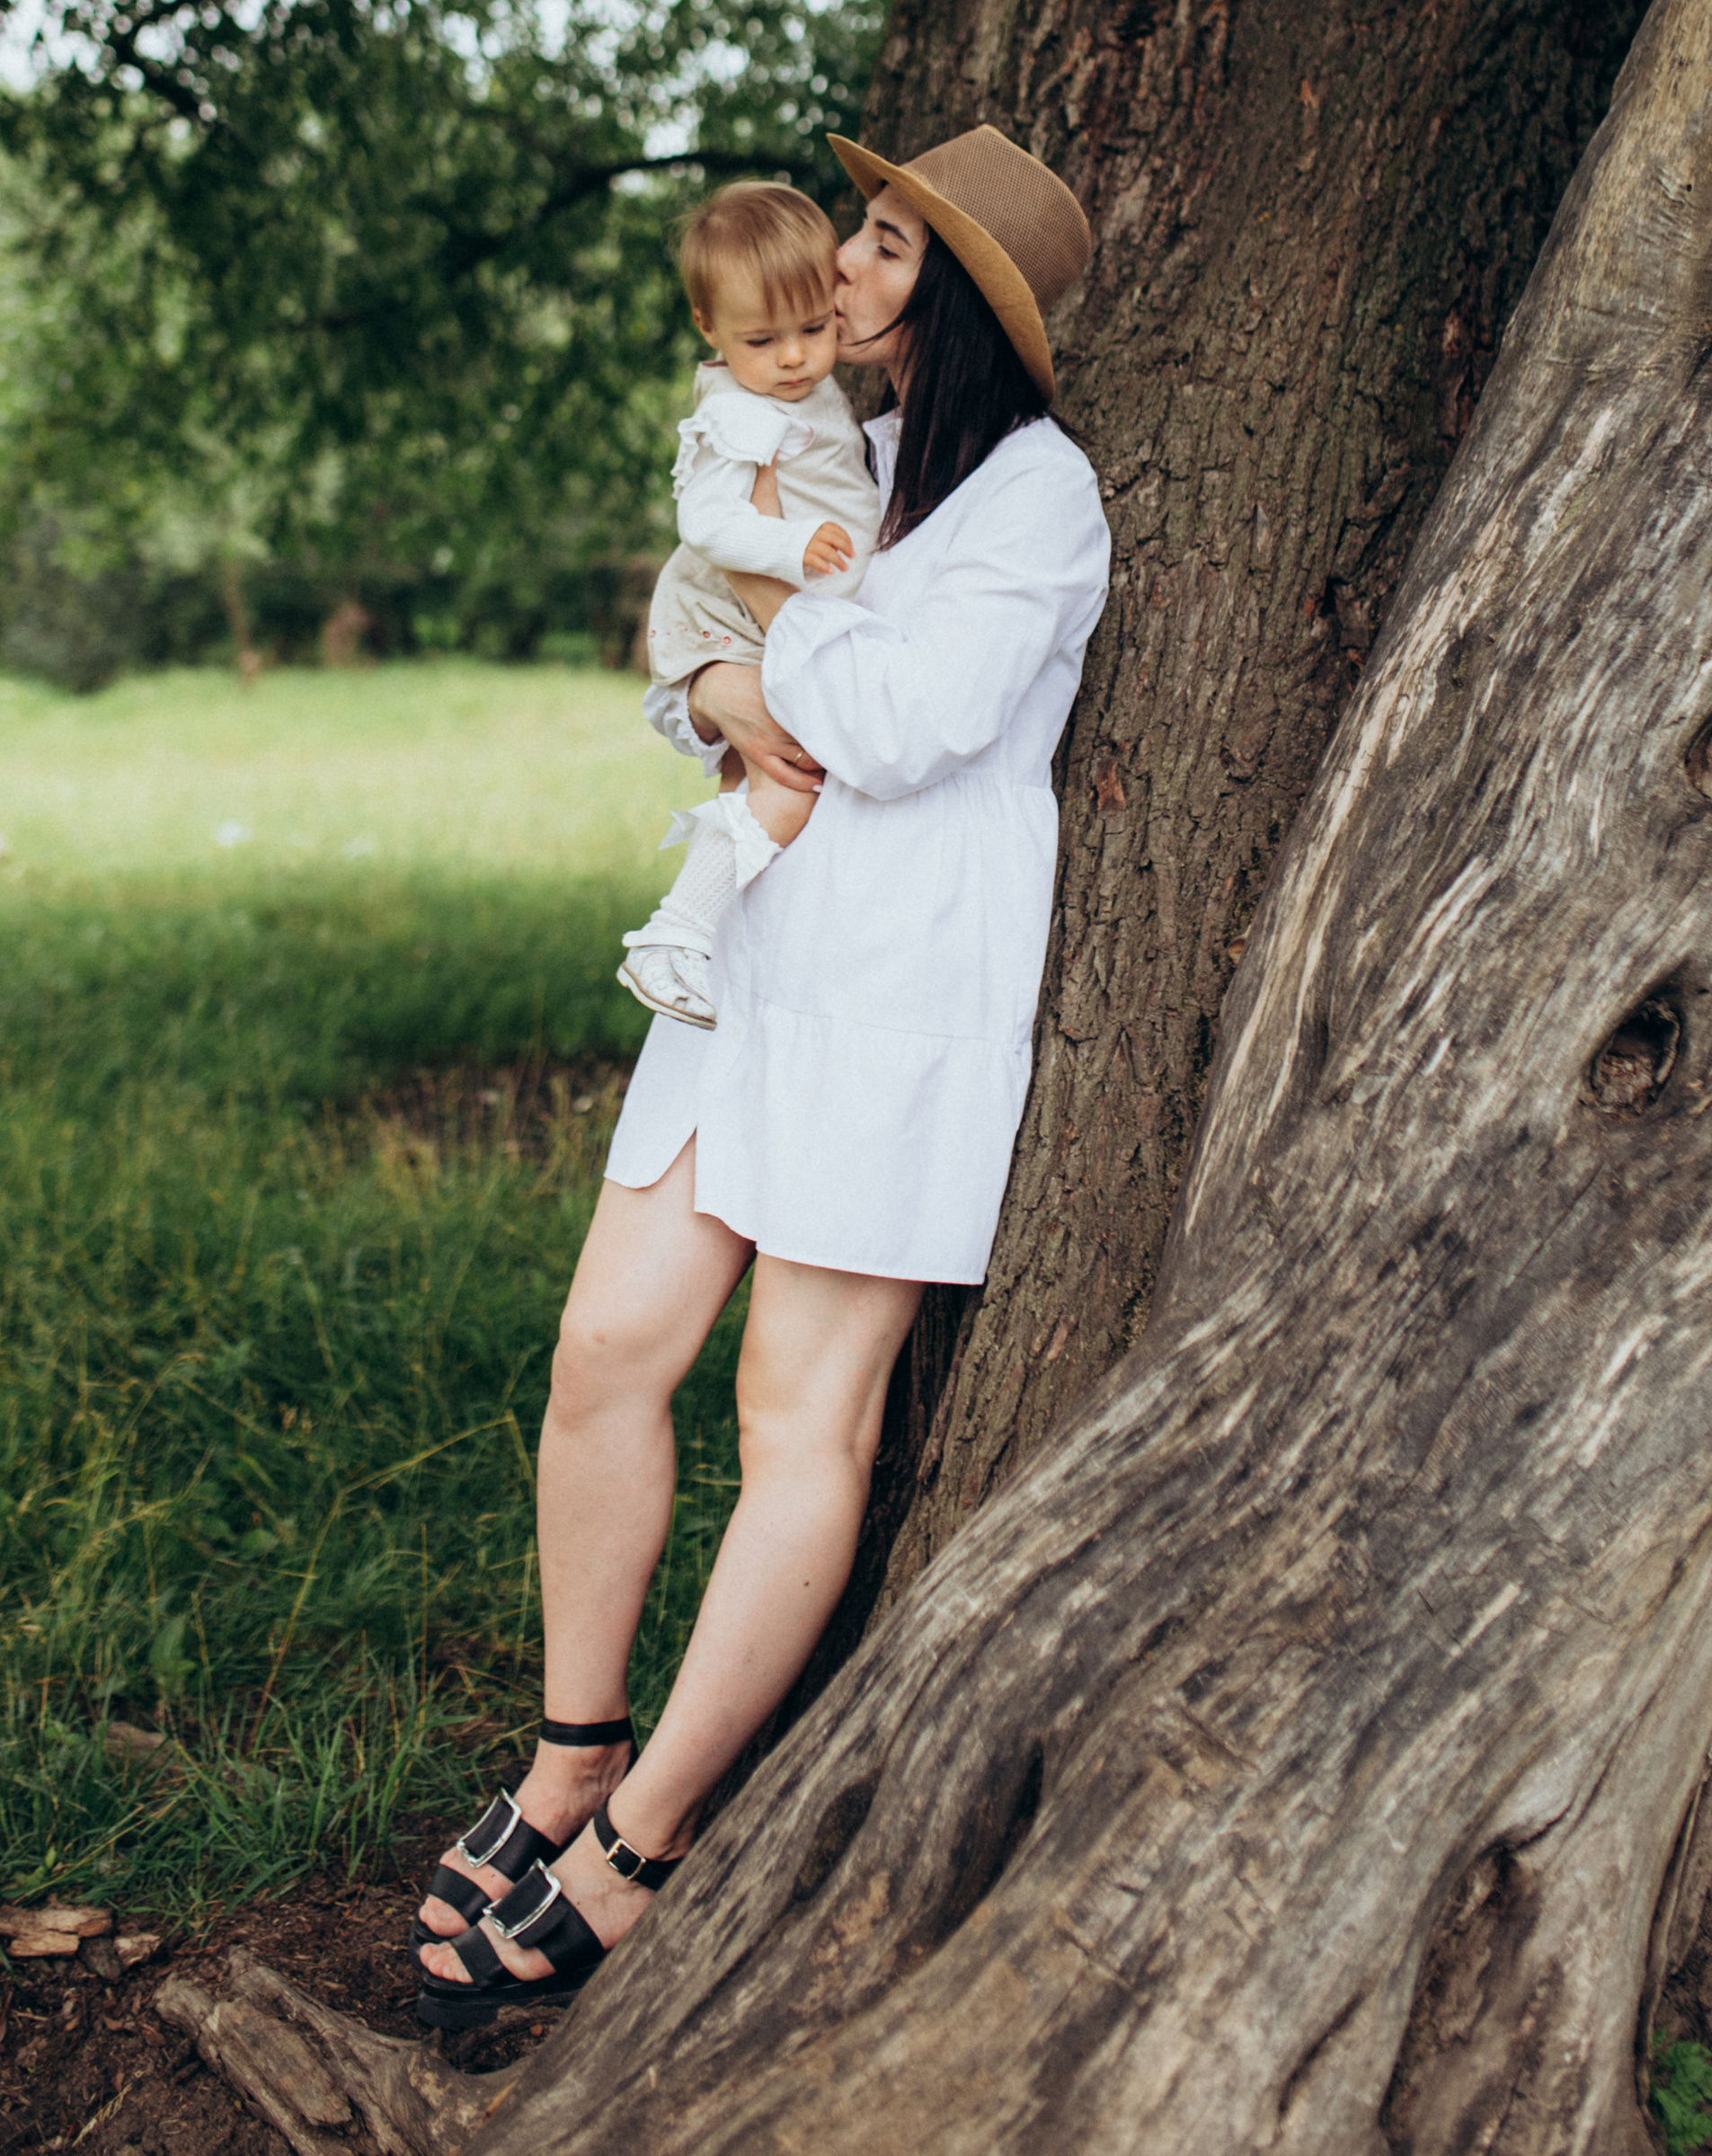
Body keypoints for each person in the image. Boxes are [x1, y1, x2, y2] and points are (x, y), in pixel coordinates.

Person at [412, 124, 1109, 2029]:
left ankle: (638, 1842)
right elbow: (676, 636)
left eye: (884, 248)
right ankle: (569, 1745)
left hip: (893, 993)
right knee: (602, 1355)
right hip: (748, 967)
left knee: (797, 1415)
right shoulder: (840, 454)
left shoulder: (1033, 503)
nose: (842, 272)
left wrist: (757, 647)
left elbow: (894, 726)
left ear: (952, 295)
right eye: (858, 234)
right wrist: (718, 682)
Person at [616, 180, 883, 1028]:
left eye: (815, 329)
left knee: (758, 782)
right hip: (729, 616)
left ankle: (721, 958)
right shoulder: (742, 414)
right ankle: (675, 936)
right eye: (762, 340)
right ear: (709, 330)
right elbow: (704, 519)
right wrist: (789, 546)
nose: (796, 358)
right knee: (791, 782)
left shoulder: (790, 392)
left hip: (766, 621)